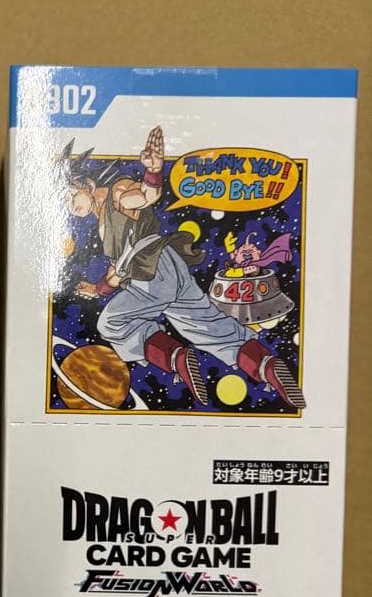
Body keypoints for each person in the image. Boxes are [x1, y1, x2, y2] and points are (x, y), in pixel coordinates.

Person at [64, 127, 305, 408]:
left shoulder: (117, 194)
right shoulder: (102, 220)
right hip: (169, 268)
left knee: (112, 323)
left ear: (87, 183)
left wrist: (153, 172)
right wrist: (98, 289)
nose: (70, 207)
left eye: (70, 196)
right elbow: (118, 272)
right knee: (208, 326)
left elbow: (145, 196)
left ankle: (175, 357)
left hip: (151, 273)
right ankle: (266, 366)